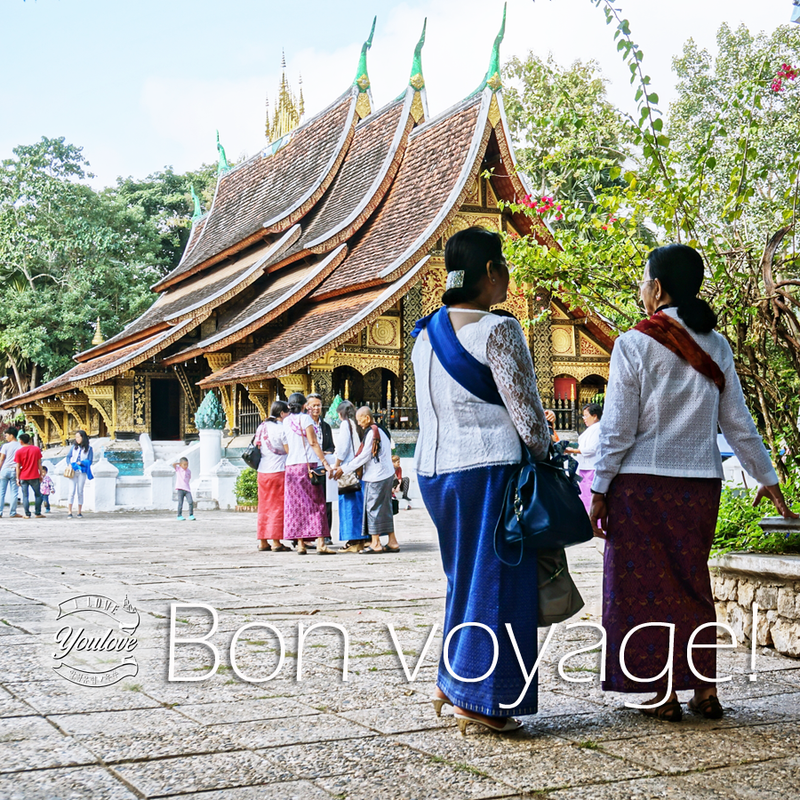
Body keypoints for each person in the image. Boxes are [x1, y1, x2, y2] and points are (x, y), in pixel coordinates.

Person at [590, 243, 798, 722]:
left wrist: (599, 489)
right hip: (699, 486)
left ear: (658, 288)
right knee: (691, 585)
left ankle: (661, 694)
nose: (642, 290)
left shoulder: (634, 343)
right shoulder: (717, 344)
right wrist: (766, 477)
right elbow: (738, 422)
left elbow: (618, 429)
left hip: (640, 486)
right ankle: (704, 690)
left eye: (644, 281)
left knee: (641, 591)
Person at [411, 226, 551, 734]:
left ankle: (453, 681)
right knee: (496, 583)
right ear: (491, 272)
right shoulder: (499, 330)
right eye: (504, 266)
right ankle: (481, 697)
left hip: (434, 473)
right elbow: (527, 414)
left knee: (462, 579)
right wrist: (546, 455)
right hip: (490, 470)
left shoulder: (424, 336)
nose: (508, 276)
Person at [334, 406, 399, 554]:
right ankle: (392, 541)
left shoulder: (372, 432)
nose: (359, 423)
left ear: (367, 418)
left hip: (377, 476)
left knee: (373, 508)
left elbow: (364, 456)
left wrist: (344, 469)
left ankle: (375, 543)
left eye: (360, 420)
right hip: (386, 473)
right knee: (385, 508)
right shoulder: (381, 429)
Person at [282, 392, 335, 555]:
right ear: (304, 405)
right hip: (308, 466)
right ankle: (320, 543)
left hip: (291, 466)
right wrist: (325, 462)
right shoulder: (305, 419)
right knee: (317, 503)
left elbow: (285, 444)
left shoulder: (286, 420)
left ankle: (300, 544)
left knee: (296, 506)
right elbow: (313, 442)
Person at [253, 400, 291, 551]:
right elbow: (289, 450)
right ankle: (276, 541)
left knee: (264, 506)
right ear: (282, 413)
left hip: (263, 471)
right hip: (278, 470)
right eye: (287, 412)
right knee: (277, 506)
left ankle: (263, 540)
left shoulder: (262, 427)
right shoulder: (282, 428)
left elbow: (257, 445)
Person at [331, 400, 368, 553]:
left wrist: (336, 465)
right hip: (358, 470)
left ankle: (353, 539)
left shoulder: (346, 424)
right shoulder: (357, 425)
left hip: (347, 471)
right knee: (359, 506)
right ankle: (362, 538)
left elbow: (343, 448)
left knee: (349, 507)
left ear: (340, 414)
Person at [306, 393, 337, 535]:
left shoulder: (325, 426)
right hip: (310, 466)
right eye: (313, 406)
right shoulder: (305, 425)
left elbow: (331, 446)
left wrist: (327, 453)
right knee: (310, 501)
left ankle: (326, 533)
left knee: (326, 501)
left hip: (324, 467)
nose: (316, 408)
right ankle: (311, 533)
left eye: (318, 405)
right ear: (307, 407)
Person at [566, 403, 602, 513]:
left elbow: (592, 449)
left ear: (594, 416)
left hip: (592, 468)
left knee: (590, 498)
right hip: (585, 467)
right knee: (584, 497)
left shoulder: (598, 428)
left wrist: (572, 450)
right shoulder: (591, 429)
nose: (584, 419)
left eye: (586, 416)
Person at [14, 433, 44, 519]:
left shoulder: (19, 451)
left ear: (21, 441)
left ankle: (27, 514)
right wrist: (41, 474)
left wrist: (17, 478)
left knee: (25, 495)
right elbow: (39, 463)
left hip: (23, 476)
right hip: (34, 475)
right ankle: (38, 513)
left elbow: (18, 466)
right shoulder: (36, 449)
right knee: (38, 495)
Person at [66, 430, 94, 519]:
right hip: (73, 470)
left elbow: (90, 461)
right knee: (71, 491)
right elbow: (68, 456)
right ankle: (69, 511)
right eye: (76, 437)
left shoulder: (89, 449)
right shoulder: (74, 447)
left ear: (83, 437)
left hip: (82, 471)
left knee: (80, 491)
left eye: (79, 437)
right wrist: (69, 464)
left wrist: (81, 463)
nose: (77, 439)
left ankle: (79, 511)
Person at [0, 427, 21, 518]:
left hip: (5, 469)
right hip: (15, 469)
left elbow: (1, 460)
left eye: (7, 435)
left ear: (12, 435)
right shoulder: (20, 446)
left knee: (1, 492)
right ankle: (12, 512)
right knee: (14, 492)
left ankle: (0, 512)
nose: (6, 437)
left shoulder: (5, 446)